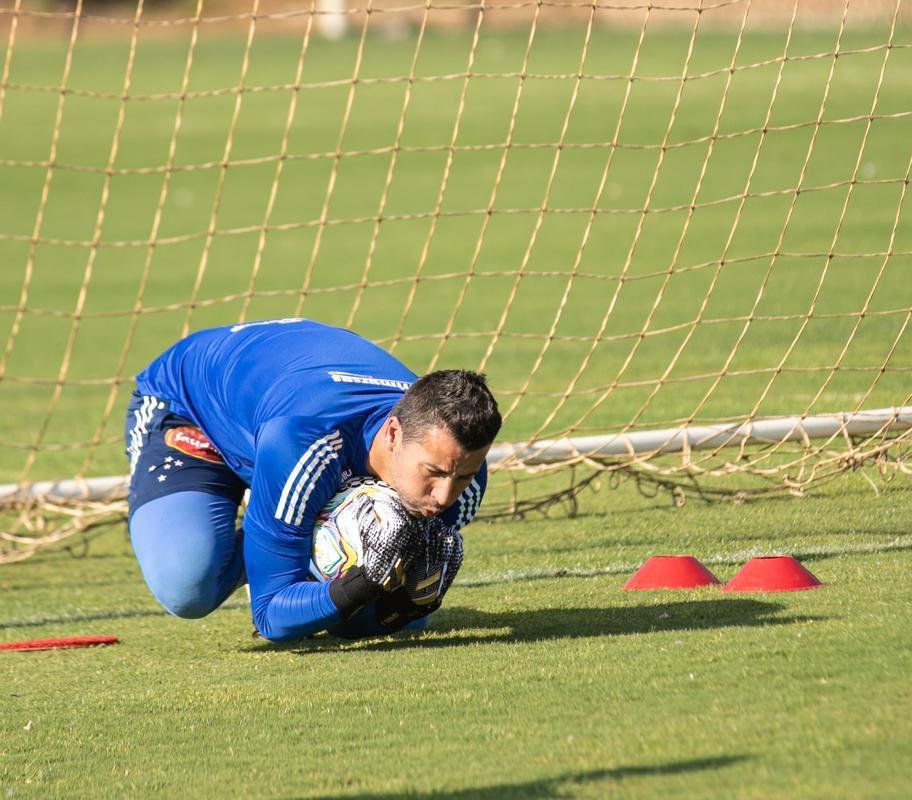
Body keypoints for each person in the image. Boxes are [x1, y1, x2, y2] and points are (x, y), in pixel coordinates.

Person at [124, 317, 501, 642]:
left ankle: (291, 521)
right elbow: (271, 615)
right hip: (190, 410)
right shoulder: (306, 441)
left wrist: (400, 607)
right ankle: (275, 527)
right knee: (188, 585)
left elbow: (367, 621)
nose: (443, 497)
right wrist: (362, 582)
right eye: (432, 474)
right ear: (392, 435)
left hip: (283, 401)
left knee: (397, 621)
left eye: (463, 476)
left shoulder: (458, 464)